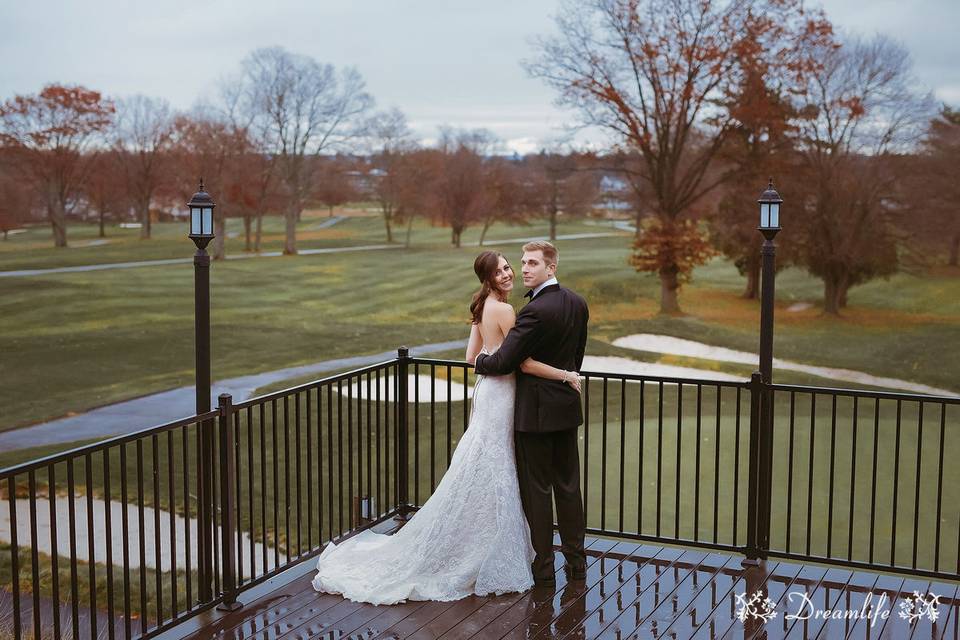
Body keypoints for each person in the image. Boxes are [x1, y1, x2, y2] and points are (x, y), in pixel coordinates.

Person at [311, 248, 582, 604]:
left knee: (501, 471)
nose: (512, 273)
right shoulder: (546, 306)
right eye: (503, 269)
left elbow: (474, 358)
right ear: (487, 278)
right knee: (535, 478)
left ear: (549, 266)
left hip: (492, 397)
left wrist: (490, 360)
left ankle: (534, 562)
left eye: (515, 266)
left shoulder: (483, 308)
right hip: (522, 398)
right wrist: (566, 375)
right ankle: (570, 563)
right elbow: (517, 362)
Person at [473, 240, 589, 588]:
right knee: (569, 486)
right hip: (566, 408)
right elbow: (576, 357)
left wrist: (480, 361)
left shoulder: (533, 312)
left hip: (536, 415)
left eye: (533, 263)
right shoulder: (577, 303)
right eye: (522, 262)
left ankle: (544, 567)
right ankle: (577, 561)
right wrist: (565, 377)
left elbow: (505, 362)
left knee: (538, 490)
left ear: (551, 268)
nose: (524, 269)